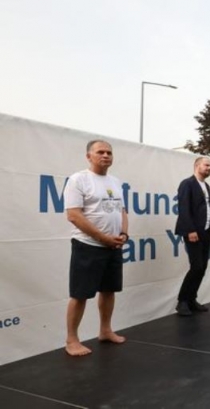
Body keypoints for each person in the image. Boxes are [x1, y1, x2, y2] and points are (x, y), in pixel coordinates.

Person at [62, 139, 128, 356]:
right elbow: (73, 215)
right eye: (100, 152)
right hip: (87, 245)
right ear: (88, 156)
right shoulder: (78, 179)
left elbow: (122, 211)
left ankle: (105, 330)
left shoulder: (115, 182)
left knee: (109, 290)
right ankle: (72, 340)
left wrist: (123, 233)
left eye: (109, 152)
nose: (106, 155)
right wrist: (103, 238)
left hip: (113, 246)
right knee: (80, 294)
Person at [175, 157, 210, 316]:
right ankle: (182, 301)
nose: (209, 168)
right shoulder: (187, 183)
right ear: (197, 166)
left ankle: (191, 299)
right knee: (196, 266)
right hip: (193, 233)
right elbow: (184, 208)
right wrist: (190, 230)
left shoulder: (207, 186)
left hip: (206, 233)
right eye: (206, 165)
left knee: (202, 267)